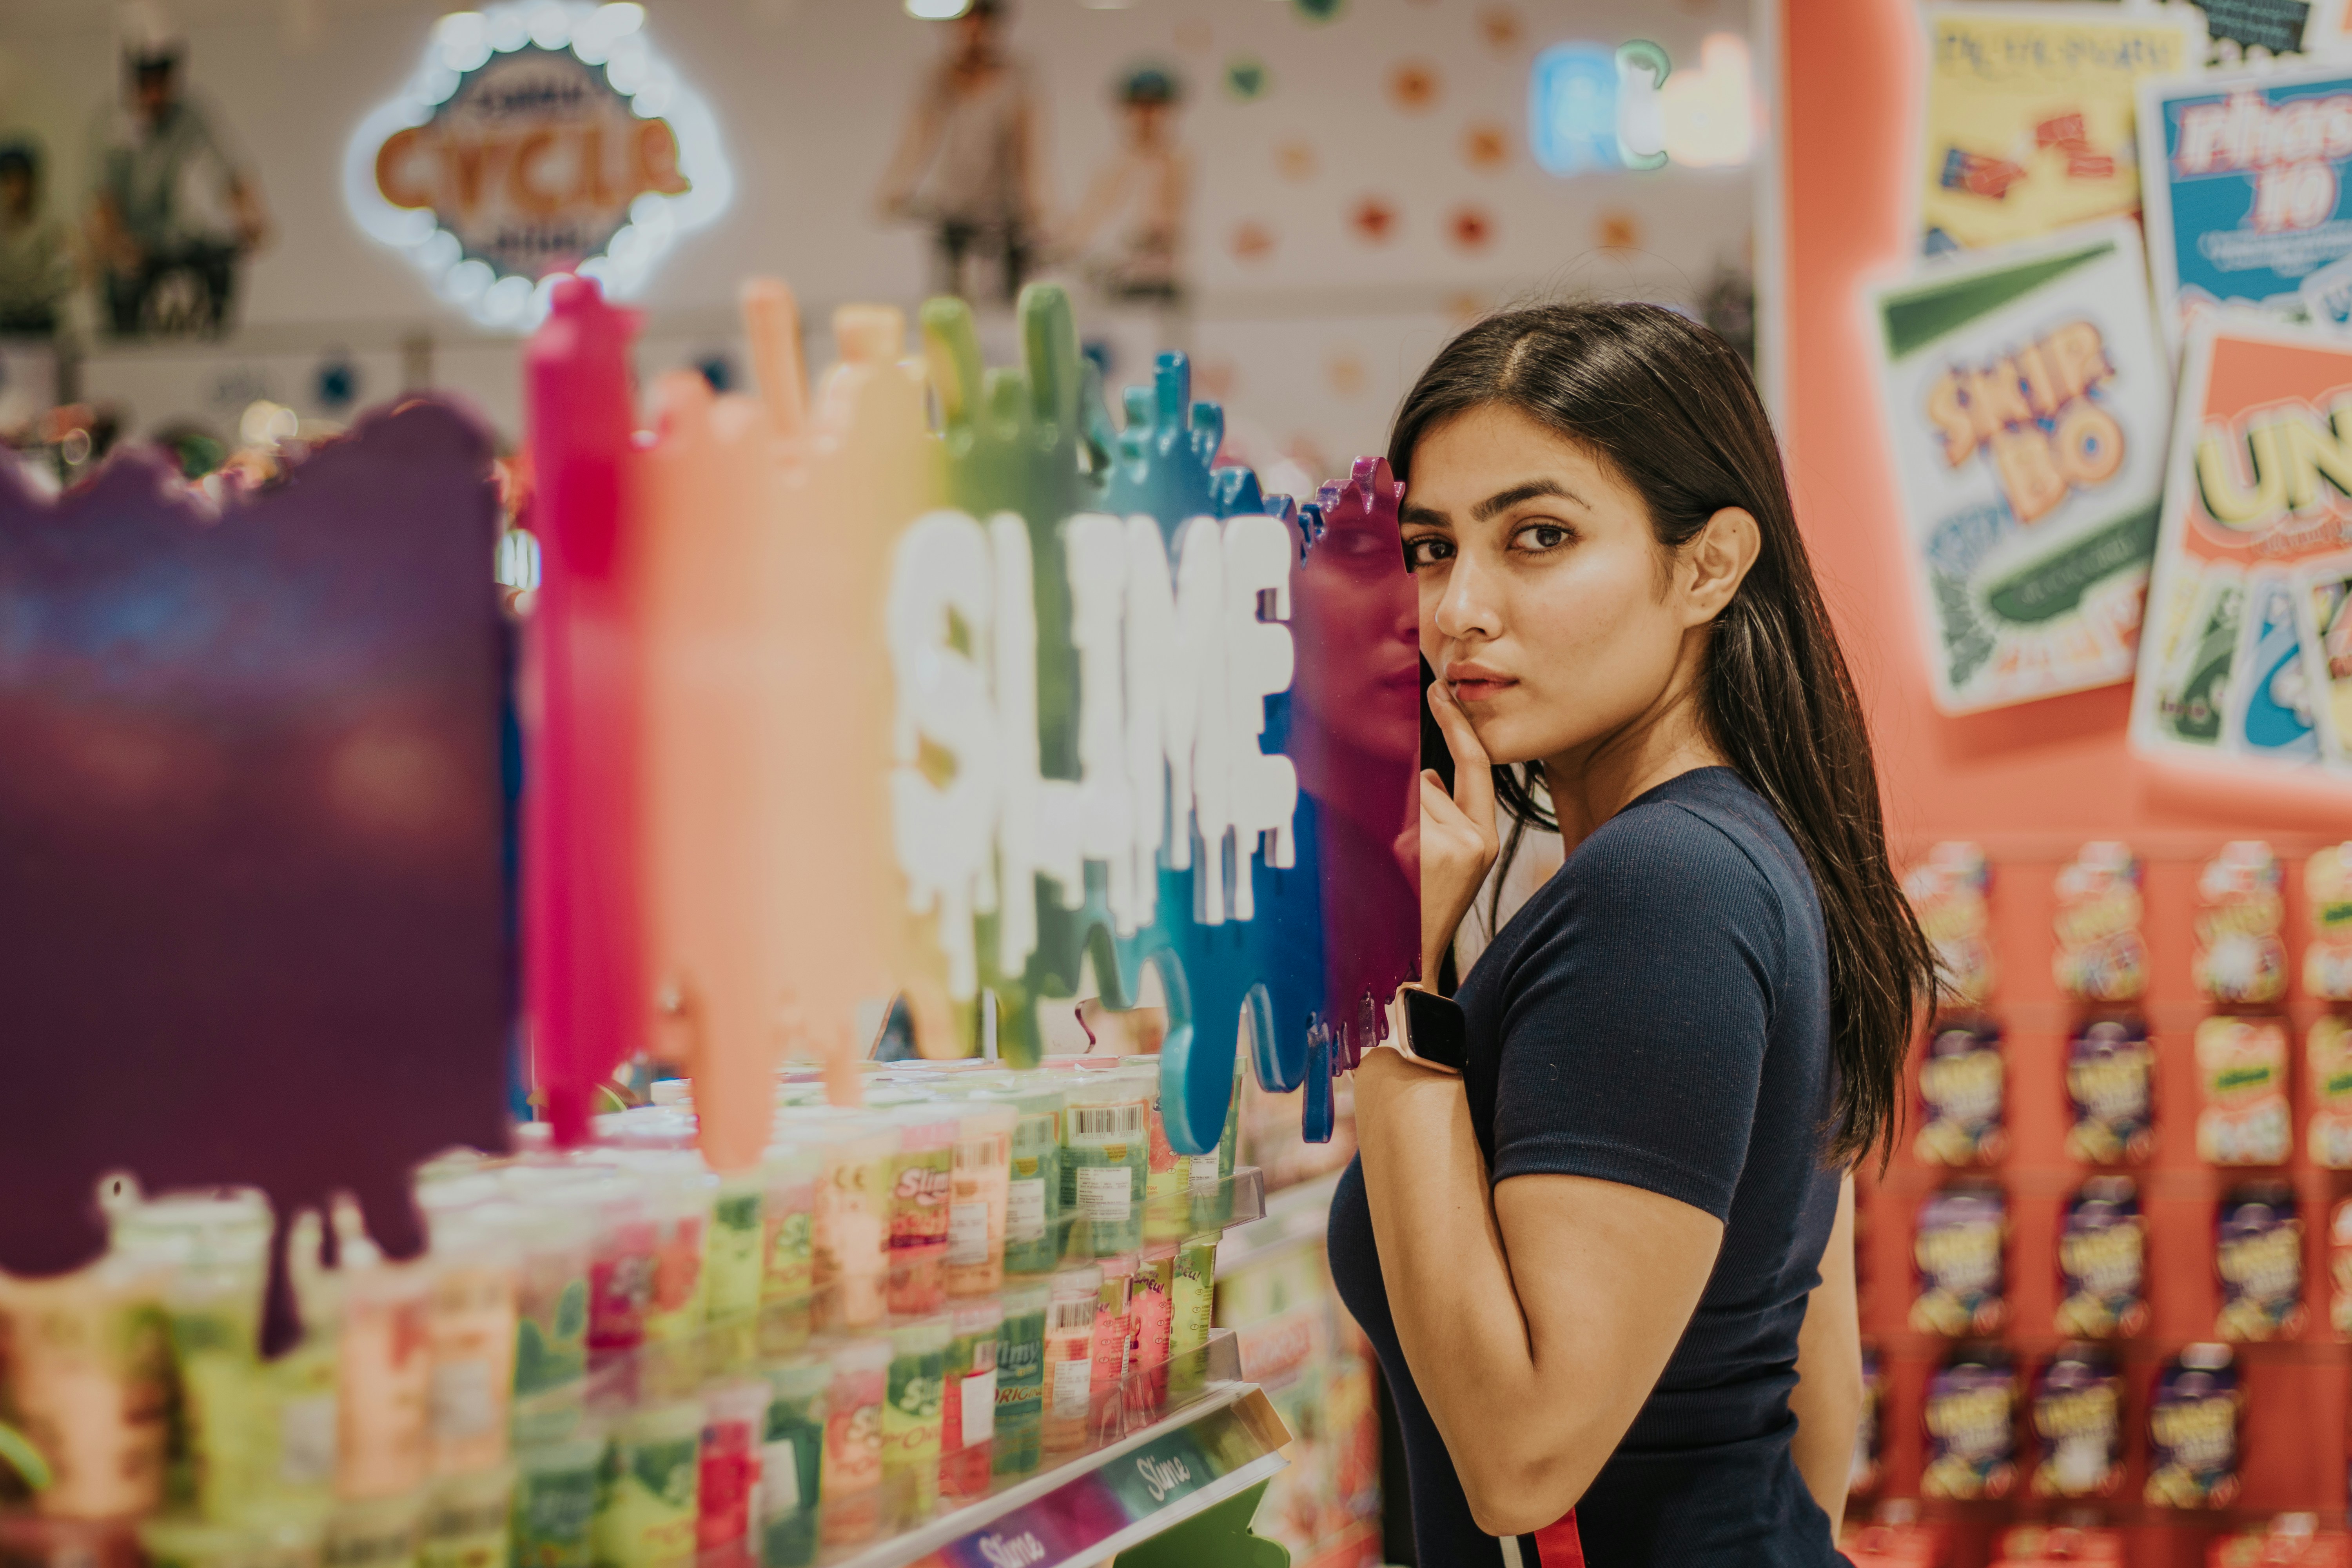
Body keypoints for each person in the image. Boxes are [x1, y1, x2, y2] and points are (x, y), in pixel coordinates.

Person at [1327, 302, 1937, 1566]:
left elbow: (1520, 1458)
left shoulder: (1663, 887)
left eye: (1537, 537)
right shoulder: (1735, 853)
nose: (1458, 610)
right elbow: (1812, 1387)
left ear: (1708, 565)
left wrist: (1393, 982)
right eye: (1433, 548)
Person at [88, 5, 270, 337]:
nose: (156, 93)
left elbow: (227, 168)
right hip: (127, 241)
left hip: (166, 233)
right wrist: (118, 246)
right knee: (122, 291)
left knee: (217, 263)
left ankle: (215, 344)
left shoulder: (187, 113)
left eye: (163, 79)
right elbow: (103, 202)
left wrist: (250, 214)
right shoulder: (112, 126)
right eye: (147, 81)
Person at [873, 0, 1045, 306]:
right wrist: (895, 185)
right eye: (965, 24)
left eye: (981, 23)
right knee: (949, 295)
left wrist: (1035, 205)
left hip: (1002, 205)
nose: (973, 33)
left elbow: (1026, 147)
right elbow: (918, 139)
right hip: (954, 203)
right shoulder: (939, 78)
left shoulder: (1015, 77)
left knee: (1009, 296)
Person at [1058, 66, 1191, 303]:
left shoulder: (1175, 162)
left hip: (1157, 283)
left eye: (1155, 107)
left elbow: (1163, 224)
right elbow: (1086, 223)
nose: (1147, 116)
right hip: (1116, 282)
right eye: (1140, 106)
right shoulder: (1113, 165)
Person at [0, 142, 78, 338]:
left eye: (21, 180)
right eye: (9, 181)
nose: (16, 189)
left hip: (40, 326)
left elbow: (65, 276)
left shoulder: (49, 226)